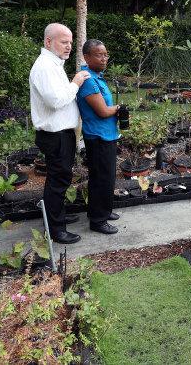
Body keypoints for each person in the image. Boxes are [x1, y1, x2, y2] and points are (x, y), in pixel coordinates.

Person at [30, 23, 90, 244]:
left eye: (71, 43)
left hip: (61, 134)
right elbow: (55, 101)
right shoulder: (44, 66)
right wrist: (75, 83)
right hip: (55, 135)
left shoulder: (53, 64)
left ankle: (58, 216)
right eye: (64, 42)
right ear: (48, 42)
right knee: (57, 180)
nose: (69, 47)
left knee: (60, 178)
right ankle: (56, 230)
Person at [76, 39, 121, 235]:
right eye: (99, 55)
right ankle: (98, 220)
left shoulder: (97, 76)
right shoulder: (88, 81)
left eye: (106, 54)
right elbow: (102, 111)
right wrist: (119, 109)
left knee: (106, 176)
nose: (104, 58)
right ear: (87, 57)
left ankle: (104, 210)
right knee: (101, 178)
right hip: (98, 137)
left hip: (107, 135)